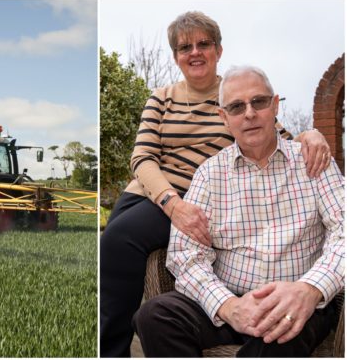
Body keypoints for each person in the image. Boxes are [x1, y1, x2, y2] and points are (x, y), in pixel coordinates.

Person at [99, 11, 332, 357]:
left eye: (203, 44)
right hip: (155, 194)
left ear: (218, 50)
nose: (194, 52)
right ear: (176, 56)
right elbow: (142, 158)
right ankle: (110, 349)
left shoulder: (238, 95)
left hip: (202, 196)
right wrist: (172, 204)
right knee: (114, 245)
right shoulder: (162, 97)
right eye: (184, 47)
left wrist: (312, 134)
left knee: (119, 241)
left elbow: (277, 136)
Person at [133, 65, 344, 357]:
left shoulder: (312, 160)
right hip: (231, 299)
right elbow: (185, 256)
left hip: (299, 303)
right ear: (224, 118)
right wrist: (228, 306)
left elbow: (343, 230)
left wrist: (310, 289)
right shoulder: (209, 174)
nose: (249, 114)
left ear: (274, 105)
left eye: (258, 102)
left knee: (278, 336)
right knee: (154, 315)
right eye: (236, 106)